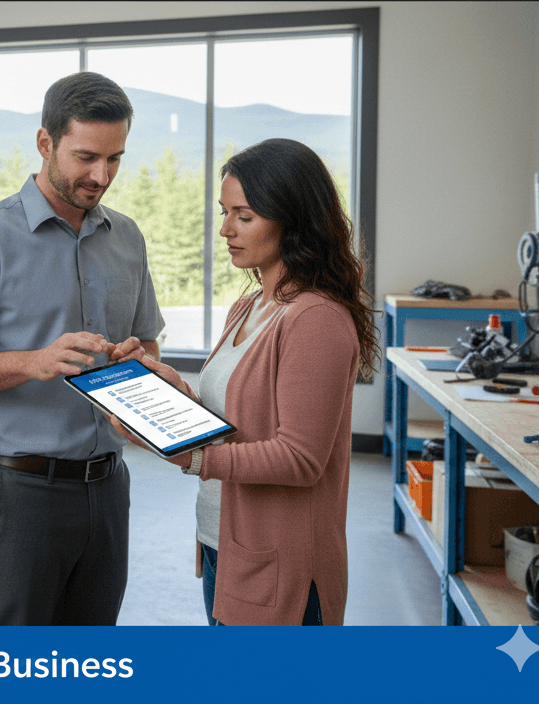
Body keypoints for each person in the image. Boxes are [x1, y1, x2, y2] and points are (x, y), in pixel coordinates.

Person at [0, 72, 165, 626]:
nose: (101, 176)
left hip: (108, 490)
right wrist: (33, 361)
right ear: (45, 143)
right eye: (85, 157)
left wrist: (138, 359)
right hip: (17, 494)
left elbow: (147, 341)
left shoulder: (127, 238)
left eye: (115, 159)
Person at [110, 138, 378, 626]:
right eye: (225, 212)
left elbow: (300, 460)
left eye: (244, 216)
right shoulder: (249, 306)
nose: (225, 229)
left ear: (292, 221)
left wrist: (191, 456)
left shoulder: (315, 319)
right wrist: (168, 388)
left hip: (281, 566)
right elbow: (238, 420)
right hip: (227, 546)